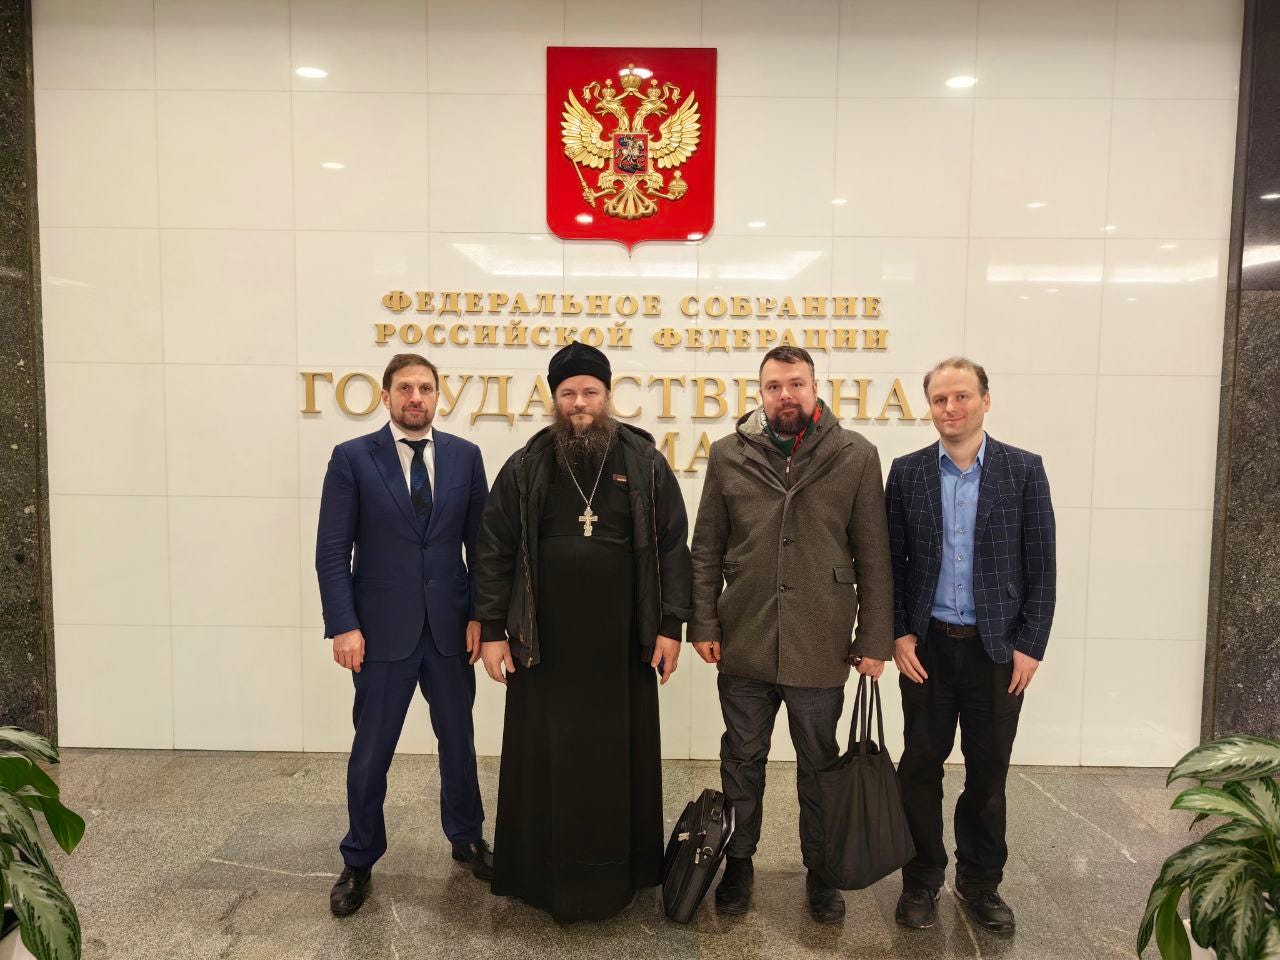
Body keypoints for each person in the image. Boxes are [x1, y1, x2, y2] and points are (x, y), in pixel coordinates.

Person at [474, 341, 692, 922]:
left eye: (590, 392)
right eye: (568, 393)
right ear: (554, 398)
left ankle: (620, 876)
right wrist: (493, 630)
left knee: (616, 758)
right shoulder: (527, 462)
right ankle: (540, 877)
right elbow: (494, 549)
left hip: (622, 646)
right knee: (547, 758)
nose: (579, 403)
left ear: (607, 395)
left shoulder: (643, 461)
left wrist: (671, 626)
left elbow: (674, 546)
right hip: (543, 647)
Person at [689, 345, 895, 924]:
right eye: (775, 385)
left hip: (821, 638)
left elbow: (874, 555)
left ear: (815, 388)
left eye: (796, 384)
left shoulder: (856, 454)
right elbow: (706, 548)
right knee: (742, 757)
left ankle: (822, 871)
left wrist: (874, 638)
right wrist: (703, 622)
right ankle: (739, 862)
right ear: (760, 392)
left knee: (819, 763)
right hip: (745, 635)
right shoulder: (727, 454)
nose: (787, 395)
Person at [316, 353, 492, 917]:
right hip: (379, 634)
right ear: (386, 396)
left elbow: (482, 549)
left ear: (438, 396)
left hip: (449, 629)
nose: (416, 397)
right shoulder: (352, 458)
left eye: (425, 388)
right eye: (405, 388)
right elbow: (331, 553)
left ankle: (467, 837)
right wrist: (344, 625)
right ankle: (359, 858)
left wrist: (481, 617)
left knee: (459, 743)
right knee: (372, 752)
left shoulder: (465, 457)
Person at [886, 357, 1056, 936]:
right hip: (927, 649)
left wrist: (1030, 643)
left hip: (996, 652)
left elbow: (1042, 563)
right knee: (919, 766)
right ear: (929, 407)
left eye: (962, 396)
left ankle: (980, 883)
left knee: (988, 773)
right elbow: (891, 562)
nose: (951, 408)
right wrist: (898, 632)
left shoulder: (1023, 470)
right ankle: (921, 879)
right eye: (940, 399)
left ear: (986, 399)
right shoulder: (907, 473)